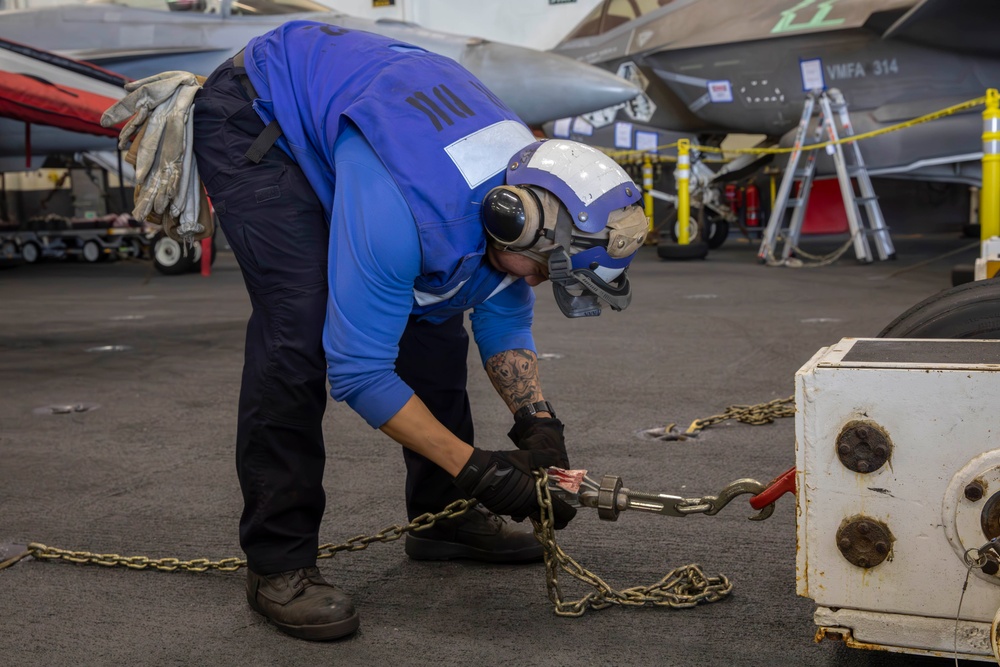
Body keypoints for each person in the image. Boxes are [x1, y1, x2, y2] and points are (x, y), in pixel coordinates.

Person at [180, 20, 646, 641]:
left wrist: (539, 424)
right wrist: (479, 469)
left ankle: (441, 519)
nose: (540, 284)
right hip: (261, 110)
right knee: (299, 327)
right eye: (547, 271)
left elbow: (503, 303)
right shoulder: (406, 209)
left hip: (370, 122)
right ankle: (278, 563)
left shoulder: (523, 190)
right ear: (518, 227)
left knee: (436, 323)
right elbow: (359, 370)